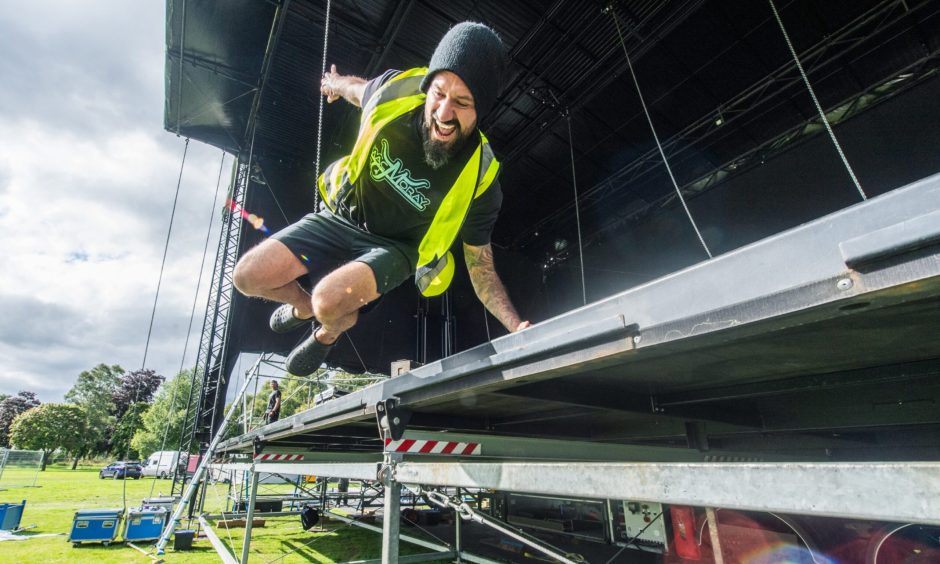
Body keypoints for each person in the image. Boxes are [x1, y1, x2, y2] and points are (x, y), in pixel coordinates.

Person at [233, 22, 529, 376]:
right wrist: (333, 84)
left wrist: (515, 326)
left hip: (396, 248)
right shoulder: (396, 92)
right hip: (342, 218)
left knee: (328, 302)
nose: (444, 113)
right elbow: (357, 89)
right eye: (439, 94)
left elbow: (480, 265)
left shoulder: (481, 176)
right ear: (427, 87)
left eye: (462, 103)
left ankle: (328, 332)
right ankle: (303, 309)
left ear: (480, 110)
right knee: (247, 276)